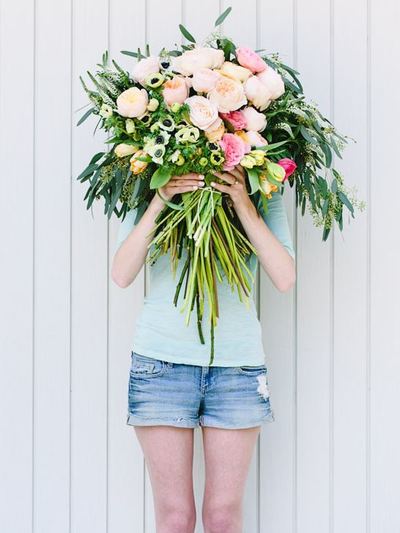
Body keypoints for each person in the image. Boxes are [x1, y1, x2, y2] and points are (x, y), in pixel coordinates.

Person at [111, 165, 296, 533]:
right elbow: (122, 272)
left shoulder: (259, 181)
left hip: (236, 368)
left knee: (223, 518)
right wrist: (162, 196)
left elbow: (284, 276)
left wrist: (243, 202)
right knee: (176, 519)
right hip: (160, 364)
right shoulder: (151, 174)